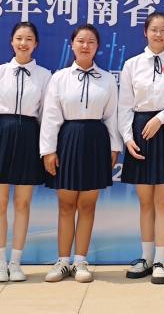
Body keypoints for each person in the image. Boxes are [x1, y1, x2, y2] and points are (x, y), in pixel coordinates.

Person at [40, 24, 121, 283]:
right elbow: (51, 115)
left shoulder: (107, 79)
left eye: (91, 42)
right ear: (72, 44)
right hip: (68, 140)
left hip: (96, 141)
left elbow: (112, 116)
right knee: (66, 204)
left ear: (98, 47)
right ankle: (63, 261)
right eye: (81, 41)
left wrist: (114, 147)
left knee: (87, 204)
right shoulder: (59, 78)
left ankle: (80, 261)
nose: (85, 46)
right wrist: (48, 150)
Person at [119, 12, 164, 284]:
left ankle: (161, 260)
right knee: (145, 201)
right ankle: (146, 257)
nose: (158, 34)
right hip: (139, 133)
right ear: (145, 32)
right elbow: (124, 105)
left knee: (163, 200)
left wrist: (161, 118)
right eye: (154, 29)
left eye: (163, 30)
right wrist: (128, 137)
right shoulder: (132, 64)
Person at [0, 21, 51, 283]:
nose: (23, 43)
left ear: (36, 44)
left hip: (30, 136)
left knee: (23, 203)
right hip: (1, 133)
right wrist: (2, 131)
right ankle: (0, 263)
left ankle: (16, 262)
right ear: (12, 41)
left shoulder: (45, 75)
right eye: (19, 38)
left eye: (29, 39)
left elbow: (46, 113)